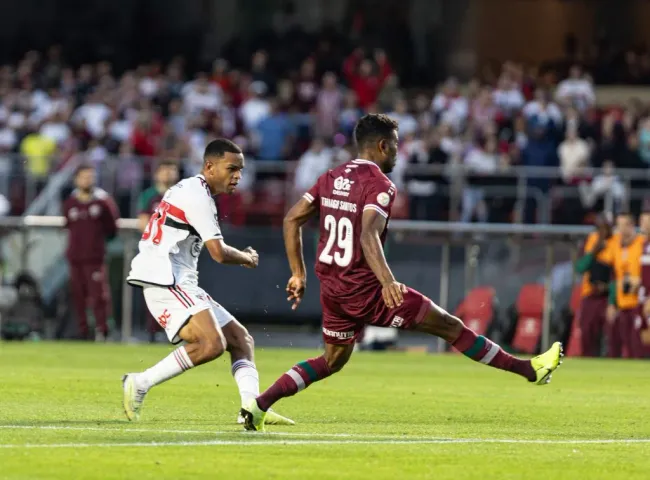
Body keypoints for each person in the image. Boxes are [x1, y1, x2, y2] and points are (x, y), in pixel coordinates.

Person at [240, 114, 564, 431]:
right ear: (382, 146)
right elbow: (368, 234)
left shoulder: (332, 176)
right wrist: (387, 281)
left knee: (332, 360)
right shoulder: (380, 185)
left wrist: (298, 273)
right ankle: (530, 369)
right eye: (394, 146)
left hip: (333, 290)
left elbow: (291, 219)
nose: (397, 153)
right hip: (367, 290)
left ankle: (259, 405)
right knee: (451, 327)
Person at [122, 138, 294, 426]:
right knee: (212, 344)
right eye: (232, 168)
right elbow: (218, 253)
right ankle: (140, 382)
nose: (238, 175)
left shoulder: (193, 189)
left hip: (178, 279)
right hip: (167, 278)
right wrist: (247, 258)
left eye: (240, 169)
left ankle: (250, 408)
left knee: (241, 340)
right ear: (209, 166)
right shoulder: (197, 196)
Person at [63, 165, 119, 341]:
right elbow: (67, 225)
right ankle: (83, 331)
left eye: (90, 176)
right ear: (76, 180)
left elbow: (112, 228)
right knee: (78, 296)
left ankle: (103, 330)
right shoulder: (70, 203)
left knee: (99, 296)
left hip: (95, 258)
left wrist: (97, 245)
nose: (88, 180)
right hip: (75, 257)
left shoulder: (103, 202)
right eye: (84, 177)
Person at [136, 161, 180, 342]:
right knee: (155, 290)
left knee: (178, 291)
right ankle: (153, 331)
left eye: (172, 170)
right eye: (165, 170)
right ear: (157, 174)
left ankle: (175, 330)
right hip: (156, 251)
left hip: (178, 251)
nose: (168, 174)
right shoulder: (149, 196)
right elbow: (143, 223)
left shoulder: (182, 195)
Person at [573, 215, 615, 356]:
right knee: (587, 333)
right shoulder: (590, 241)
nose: (602, 230)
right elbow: (579, 267)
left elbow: (617, 273)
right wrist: (594, 251)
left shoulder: (616, 242)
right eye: (599, 227)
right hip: (590, 295)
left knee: (609, 335)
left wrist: (609, 293)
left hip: (607, 296)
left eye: (606, 227)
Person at [607, 211, 645, 358]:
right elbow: (614, 276)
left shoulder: (643, 244)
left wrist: (640, 282)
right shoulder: (616, 245)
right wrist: (612, 303)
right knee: (623, 348)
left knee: (639, 349)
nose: (621, 229)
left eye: (625, 225)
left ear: (632, 226)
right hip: (622, 305)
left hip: (639, 305)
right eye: (618, 225)